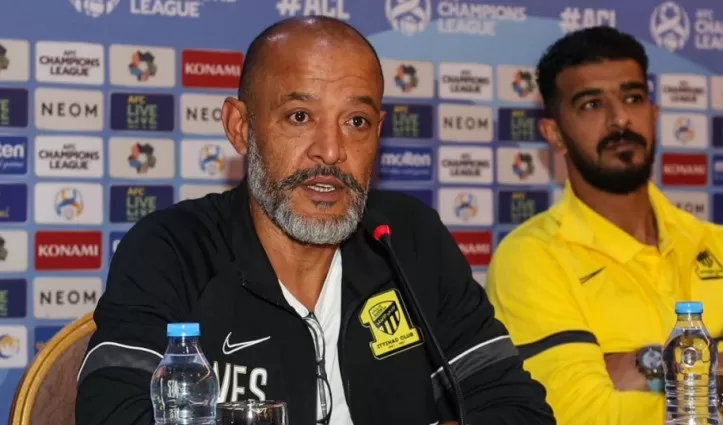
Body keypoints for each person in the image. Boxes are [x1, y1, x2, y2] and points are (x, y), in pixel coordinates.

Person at [75, 16, 555, 425]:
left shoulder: (408, 239)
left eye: (356, 122)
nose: (330, 151)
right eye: (300, 116)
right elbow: (113, 413)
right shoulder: (172, 249)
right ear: (241, 128)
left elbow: (516, 408)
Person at [485, 26, 723, 425]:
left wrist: (641, 365)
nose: (620, 119)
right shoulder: (530, 259)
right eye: (592, 104)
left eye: (633, 98)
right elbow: (581, 414)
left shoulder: (714, 242)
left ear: (654, 114)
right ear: (555, 134)